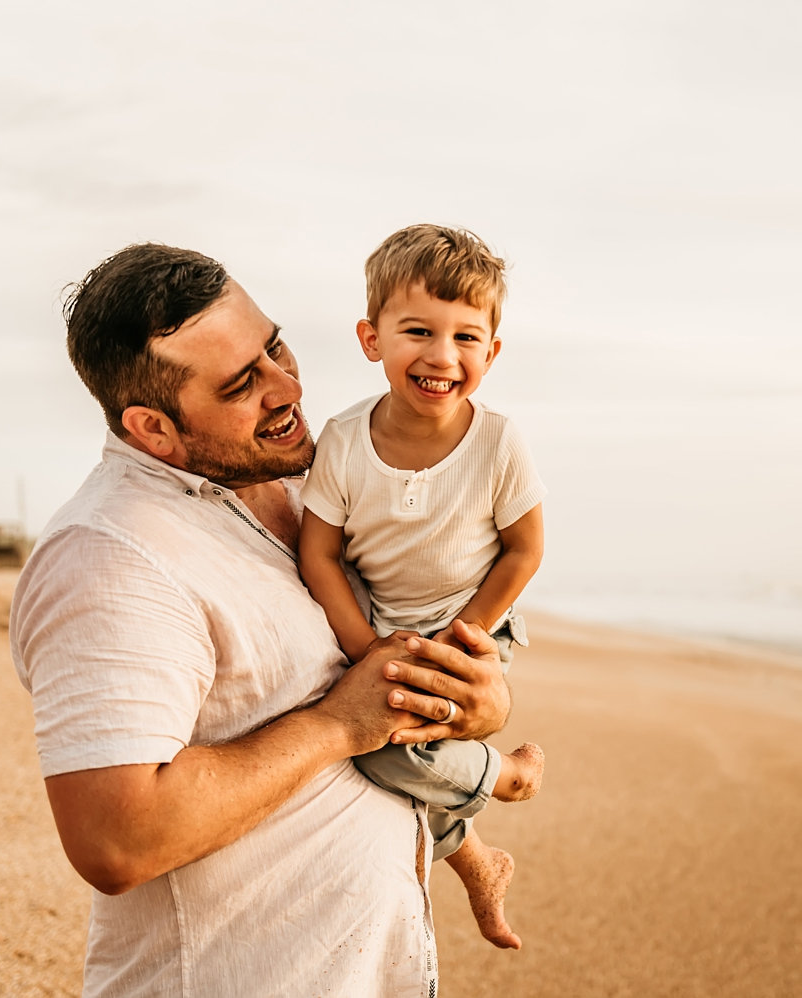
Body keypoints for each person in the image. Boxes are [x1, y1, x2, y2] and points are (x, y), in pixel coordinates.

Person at [9, 242, 512, 997]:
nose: (287, 387)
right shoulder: (110, 555)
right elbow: (115, 839)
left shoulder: (316, 478)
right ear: (152, 429)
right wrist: (338, 726)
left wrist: (479, 698)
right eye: (244, 383)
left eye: (275, 346)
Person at [298, 225, 545, 951]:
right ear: (372, 339)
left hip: (474, 623)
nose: (442, 356)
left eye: (467, 338)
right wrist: (365, 647)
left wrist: (463, 636)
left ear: (491, 353)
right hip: (377, 622)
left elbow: (524, 551)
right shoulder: (344, 441)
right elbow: (319, 554)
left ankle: (496, 800)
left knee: (386, 746)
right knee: (371, 741)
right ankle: (485, 829)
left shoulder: (497, 442)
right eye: (418, 331)